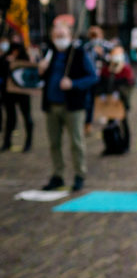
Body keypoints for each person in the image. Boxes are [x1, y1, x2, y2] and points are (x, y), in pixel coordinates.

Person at [39, 23, 98, 192]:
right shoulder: (49, 54)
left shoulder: (78, 53)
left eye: (62, 35)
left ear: (70, 37)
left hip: (73, 107)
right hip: (52, 106)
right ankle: (57, 175)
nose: (59, 39)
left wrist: (73, 84)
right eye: (57, 36)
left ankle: (79, 174)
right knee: (54, 143)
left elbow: (93, 77)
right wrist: (40, 71)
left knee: (76, 142)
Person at [97, 45, 135, 154]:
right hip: (108, 102)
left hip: (121, 102)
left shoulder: (126, 70)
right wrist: (103, 94)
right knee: (109, 124)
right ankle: (110, 146)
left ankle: (125, 145)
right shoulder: (106, 70)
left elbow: (129, 86)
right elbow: (101, 84)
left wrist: (120, 93)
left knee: (124, 124)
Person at [1, 40, 34, 152]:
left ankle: (28, 142)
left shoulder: (25, 58)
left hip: (22, 93)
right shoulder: (5, 58)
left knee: (27, 117)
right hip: (8, 93)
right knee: (10, 118)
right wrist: (6, 62)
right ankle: (7, 142)